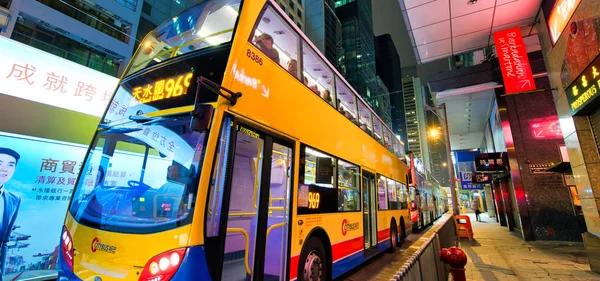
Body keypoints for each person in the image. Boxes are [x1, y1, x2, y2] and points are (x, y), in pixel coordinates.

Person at [0, 148, 22, 279]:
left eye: (10, 165)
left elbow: (5, 242)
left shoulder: (14, 200)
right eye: (0, 163)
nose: (4, 169)